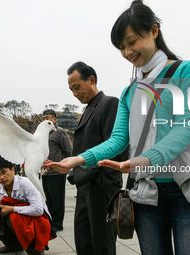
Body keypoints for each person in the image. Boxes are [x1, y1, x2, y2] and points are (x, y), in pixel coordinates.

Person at [45, 1, 190, 254]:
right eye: (121, 47)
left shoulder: (187, 70)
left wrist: (142, 159)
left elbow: (186, 128)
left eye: (132, 42)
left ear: (154, 31)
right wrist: (77, 159)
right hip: (147, 191)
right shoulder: (130, 92)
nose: (128, 52)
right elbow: (119, 139)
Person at [46, 61, 128, 255]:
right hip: (86, 186)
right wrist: (71, 169)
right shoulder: (88, 109)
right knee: (83, 240)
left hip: (102, 185)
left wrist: (79, 166)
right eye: (71, 90)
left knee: (102, 243)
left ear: (91, 80)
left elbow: (115, 147)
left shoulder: (110, 103)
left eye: (77, 87)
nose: (74, 93)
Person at [41, 109, 72, 231]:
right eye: (43, 118)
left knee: (57, 199)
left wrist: (63, 166)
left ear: (54, 119)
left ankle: (58, 224)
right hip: (45, 172)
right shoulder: (43, 133)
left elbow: (68, 151)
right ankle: (50, 221)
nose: (45, 120)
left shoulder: (59, 132)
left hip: (57, 172)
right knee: (48, 198)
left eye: (47, 118)